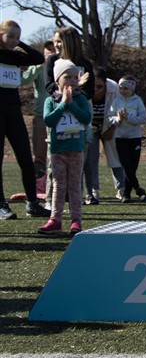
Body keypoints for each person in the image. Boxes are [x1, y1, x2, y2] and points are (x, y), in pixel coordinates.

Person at [0, 21, 51, 220]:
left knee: (25, 157)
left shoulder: (15, 56)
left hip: (14, 110)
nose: (14, 40)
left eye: (18, 37)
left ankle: (32, 203)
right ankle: (1, 205)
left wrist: (19, 43)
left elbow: (38, 58)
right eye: (10, 36)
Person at [40, 58, 91, 235]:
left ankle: (76, 220)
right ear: (57, 80)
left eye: (74, 77)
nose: (71, 81)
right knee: (58, 185)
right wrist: (62, 104)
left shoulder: (81, 99)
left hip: (76, 149)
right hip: (58, 150)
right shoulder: (50, 101)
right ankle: (55, 219)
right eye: (67, 77)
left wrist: (72, 105)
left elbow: (86, 118)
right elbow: (49, 120)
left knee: (75, 186)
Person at [83, 67, 127, 203]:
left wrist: (112, 128)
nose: (95, 90)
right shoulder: (83, 89)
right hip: (90, 128)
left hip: (110, 125)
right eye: (93, 86)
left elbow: (120, 111)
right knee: (90, 160)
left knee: (115, 156)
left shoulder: (114, 89)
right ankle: (93, 191)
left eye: (99, 86)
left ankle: (122, 188)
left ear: (106, 84)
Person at [110, 75, 146, 202]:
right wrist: (118, 119)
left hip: (134, 137)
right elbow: (110, 117)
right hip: (120, 137)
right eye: (121, 88)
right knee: (126, 165)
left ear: (132, 89)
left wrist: (129, 118)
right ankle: (138, 190)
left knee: (133, 166)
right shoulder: (116, 101)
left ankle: (126, 194)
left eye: (126, 88)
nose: (123, 91)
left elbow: (143, 119)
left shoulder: (137, 101)